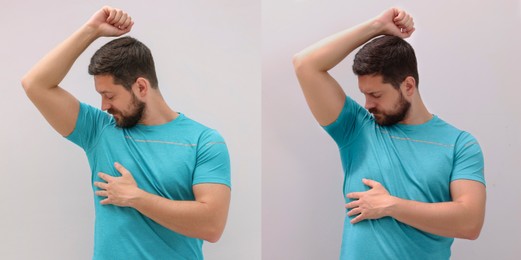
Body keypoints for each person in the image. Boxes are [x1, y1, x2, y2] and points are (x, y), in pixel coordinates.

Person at [22, 6, 231, 259]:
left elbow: (211, 226)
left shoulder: (204, 141)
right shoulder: (99, 131)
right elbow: (35, 84)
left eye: (109, 96)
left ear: (141, 86)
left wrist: (136, 198)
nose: (104, 106)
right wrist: (92, 30)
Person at [293, 7, 486, 259]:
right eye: (364, 94)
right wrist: (377, 26)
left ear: (408, 86)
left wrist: (391, 206)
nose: (367, 104)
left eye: (376, 95)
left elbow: (470, 223)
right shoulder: (357, 129)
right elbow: (305, 64)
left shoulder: (459, 144)